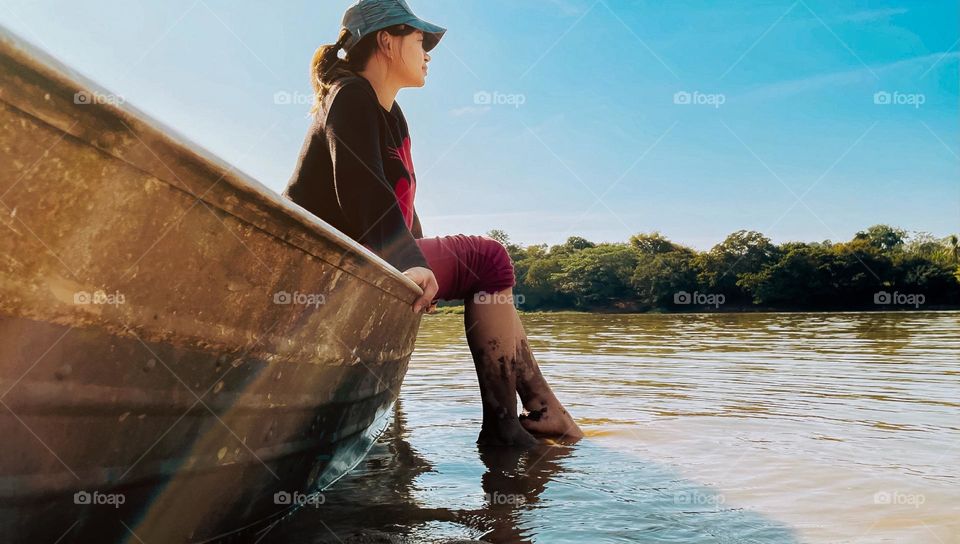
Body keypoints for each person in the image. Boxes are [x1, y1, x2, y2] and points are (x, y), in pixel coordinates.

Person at [283, 0, 582, 446]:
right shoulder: (350, 97)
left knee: (488, 269)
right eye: (421, 39)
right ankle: (505, 430)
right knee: (490, 258)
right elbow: (360, 189)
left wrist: (418, 258)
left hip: (370, 255)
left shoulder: (390, 112)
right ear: (386, 41)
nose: (429, 52)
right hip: (333, 263)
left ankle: (546, 412)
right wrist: (408, 260)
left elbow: (399, 202)